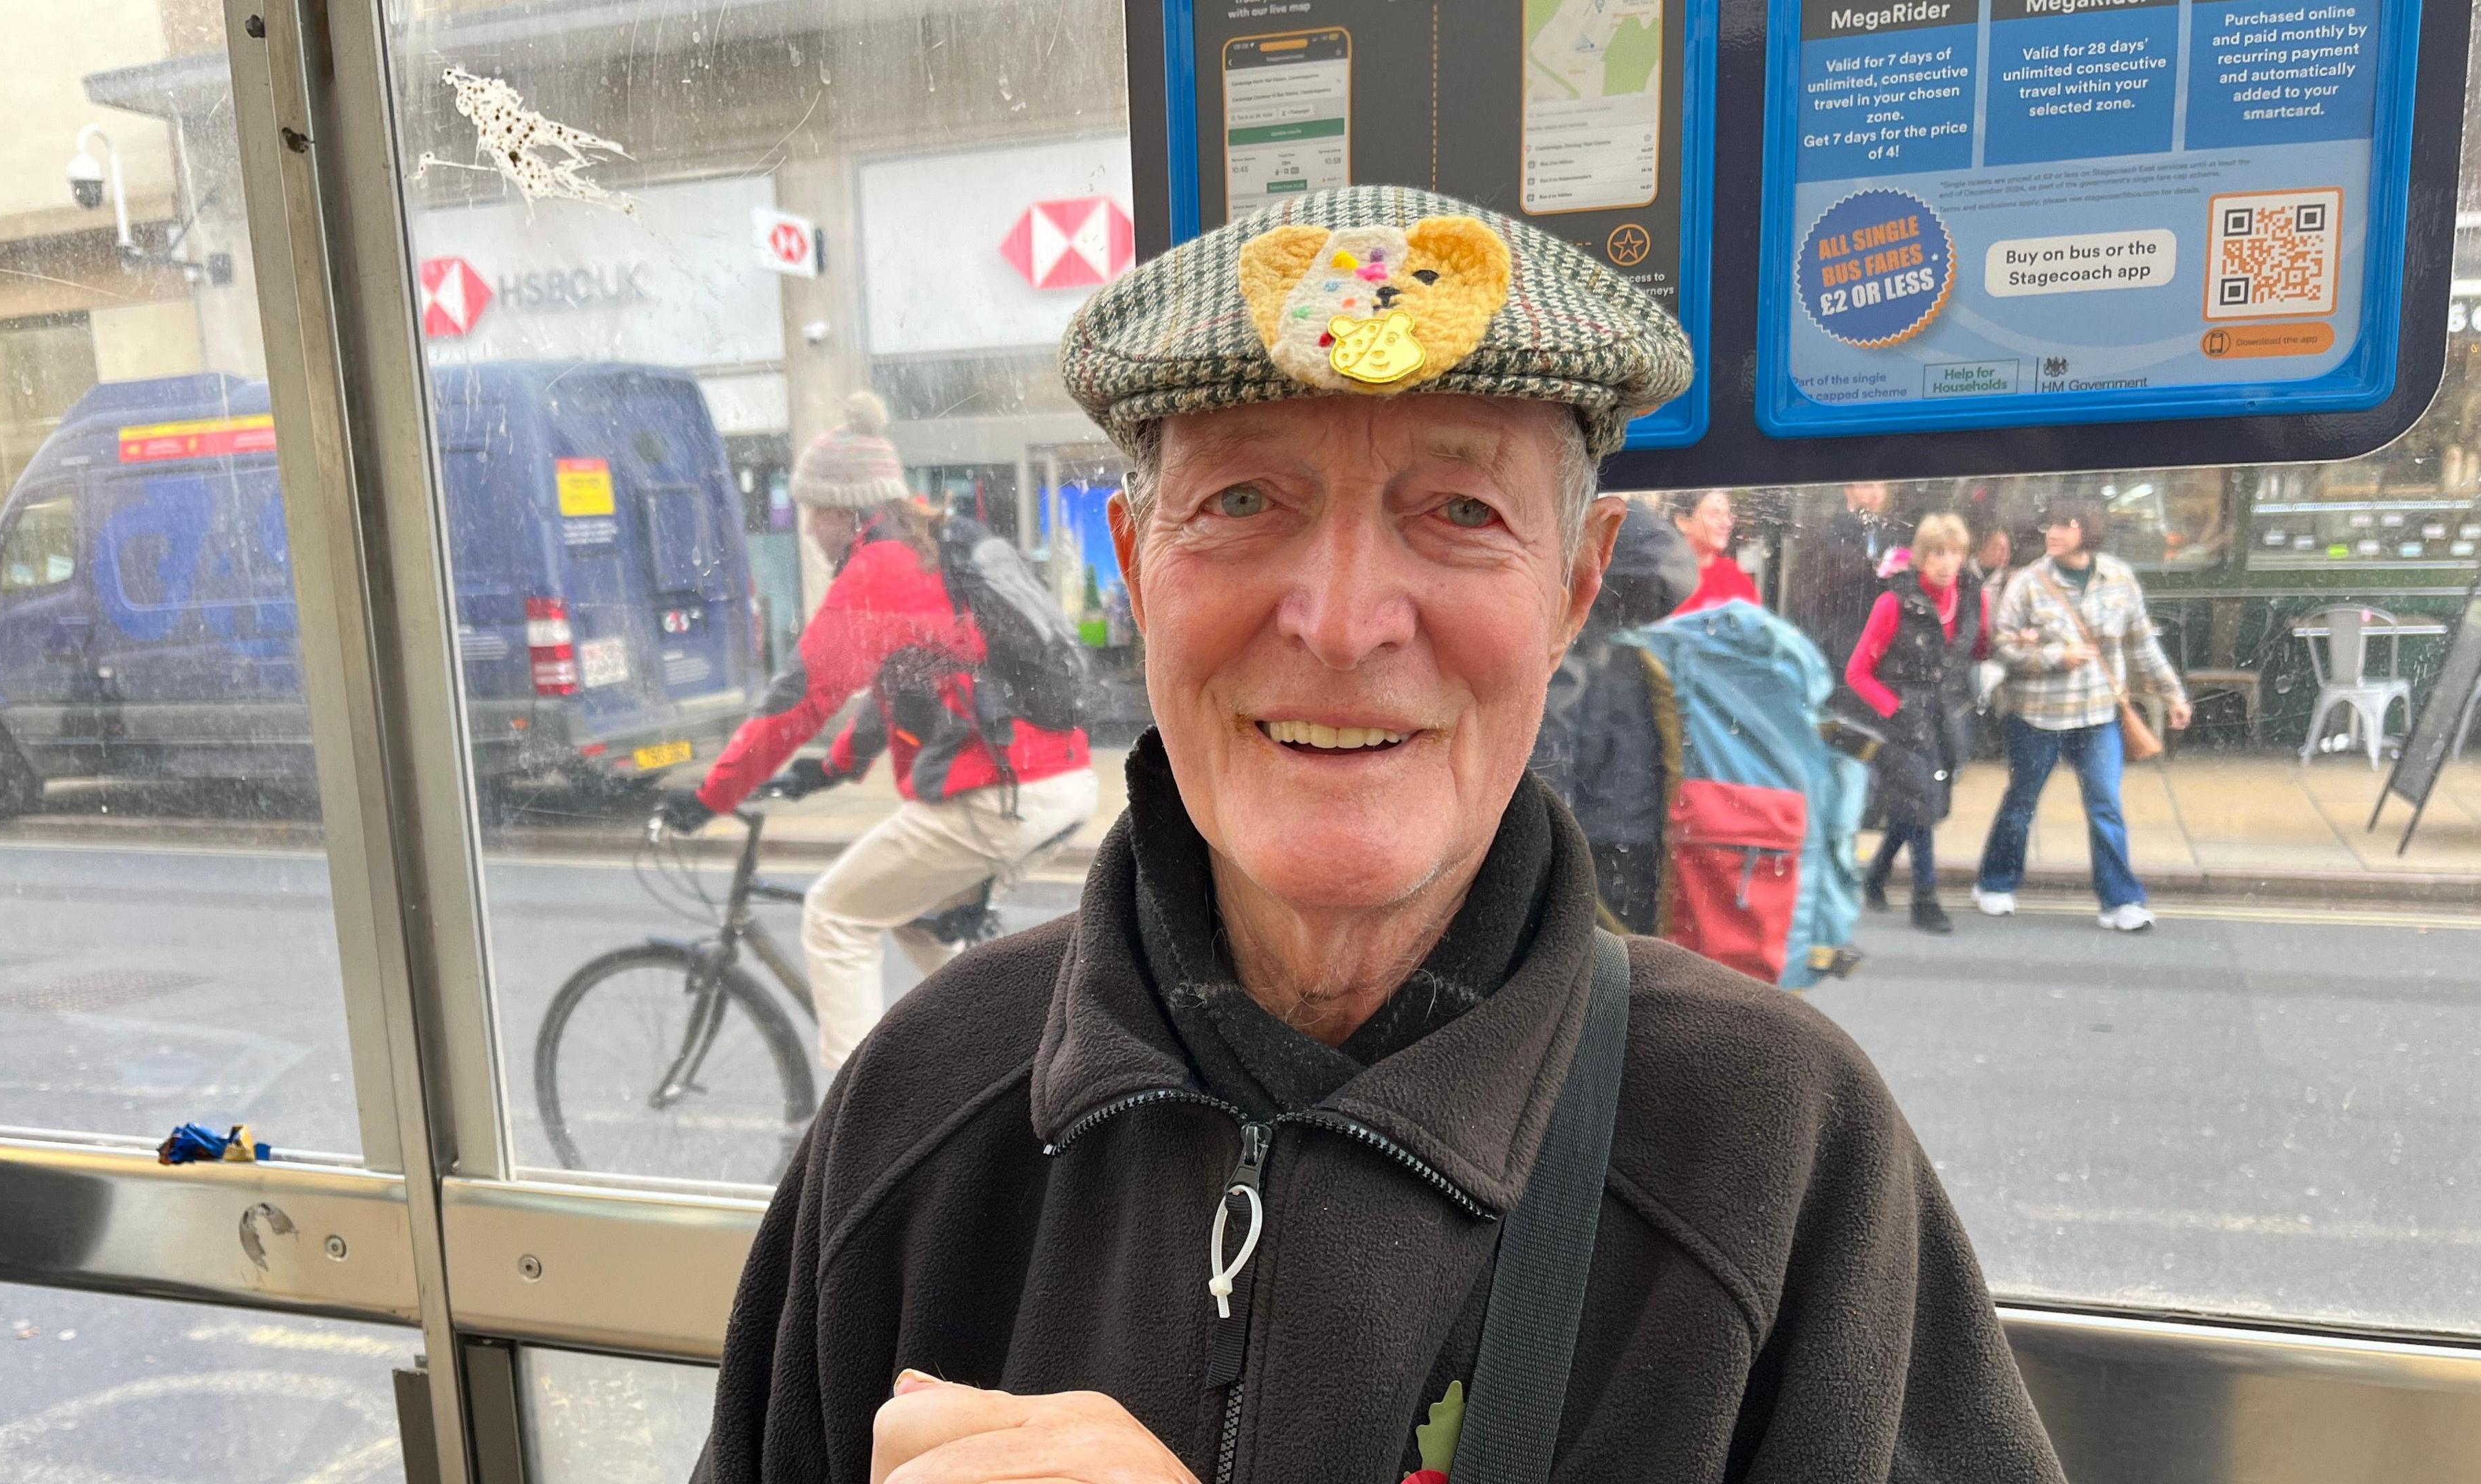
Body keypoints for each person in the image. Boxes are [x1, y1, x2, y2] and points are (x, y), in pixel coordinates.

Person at [693, 187, 2061, 1484]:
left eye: (1460, 511)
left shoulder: (1777, 1148)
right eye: (1241, 503)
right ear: (1136, 560)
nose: (1343, 623)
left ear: (1578, 584)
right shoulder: (922, 1105)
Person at [656, 392, 1098, 1068]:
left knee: (835, 917)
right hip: (1056, 780)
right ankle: (1005, 1065)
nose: (807, 528)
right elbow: (909, 678)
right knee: (912, 916)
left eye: (813, 510)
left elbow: (798, 696)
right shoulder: (938, 543)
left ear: (848, 507)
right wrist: (832, 767)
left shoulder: (878, 570)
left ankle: (848, 1122)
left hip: (1001, 795)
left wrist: (714, 796)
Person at [1976, 497, 2191, 932]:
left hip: (2098, 716)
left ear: (2087, 531)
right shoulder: (2028, 582)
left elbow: (2142, 644)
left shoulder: (2119, 578)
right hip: (2036, 718)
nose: (2053, 533)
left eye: (2065, 525)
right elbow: (2002, 646)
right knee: (2021, 803)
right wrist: (2058, 655)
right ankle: (1995, 883)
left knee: (2105, 807)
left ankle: (2121, 901)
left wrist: (2174, 694)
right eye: (2050, 525)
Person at [1532, 499, 1697, 930]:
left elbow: (1549, 748)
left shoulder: (1573, 647)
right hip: (1643, 822)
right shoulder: (1628, 644)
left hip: (1594, 830)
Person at [1846, 513, 1988, 934]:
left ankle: (1875, 876)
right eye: (1938, 554)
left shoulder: (1968, 599)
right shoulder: (1893, 603)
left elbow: (1974, 649)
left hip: (1943, 719)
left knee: (1916, 807)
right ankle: (1925, 900)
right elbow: (1858, 673)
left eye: (1956, 554)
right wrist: (1896, 709)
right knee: (1922, 807)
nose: (1947, 563)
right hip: (1901, 723)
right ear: (1921, 558)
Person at [1785, 479, 1902, 673]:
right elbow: (1806, 597)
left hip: (1879, 648)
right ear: (1848, 489)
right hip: (1837, 646)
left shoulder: (1891, 535)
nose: (1876, 493)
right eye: (1867, 485)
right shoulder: (1829, 534)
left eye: (1881, 486)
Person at [1665, 487, 1757, 614]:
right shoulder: (1661, 572)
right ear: (1683, 522)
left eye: (1728, 516)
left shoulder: (1735, 577)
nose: (1726, 523)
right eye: (1715, 514)